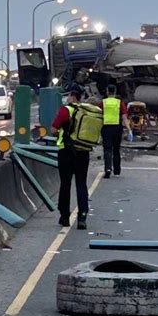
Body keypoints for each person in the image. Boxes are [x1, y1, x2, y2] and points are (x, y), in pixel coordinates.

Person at [51, 85, 90, 230]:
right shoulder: (86, 111)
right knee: (81, 184)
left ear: (72, 96)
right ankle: (82, 216)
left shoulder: (65, 110)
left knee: (65, 184)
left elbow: (54, 130)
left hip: (66, 152)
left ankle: (65, 217)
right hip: (83, 152)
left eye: (68, 95)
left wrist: (63, 132)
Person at [99, 85, 132, 179]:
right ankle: (117, 171)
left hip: (106, 128)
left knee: (107, 149)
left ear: (107, 91)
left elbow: (98, 115)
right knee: (116, 149)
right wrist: (129, 130)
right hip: (117, 128)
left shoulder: (103, 103)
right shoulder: (119, 103)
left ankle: (108, 168)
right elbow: (124, 117)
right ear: (115, 91)